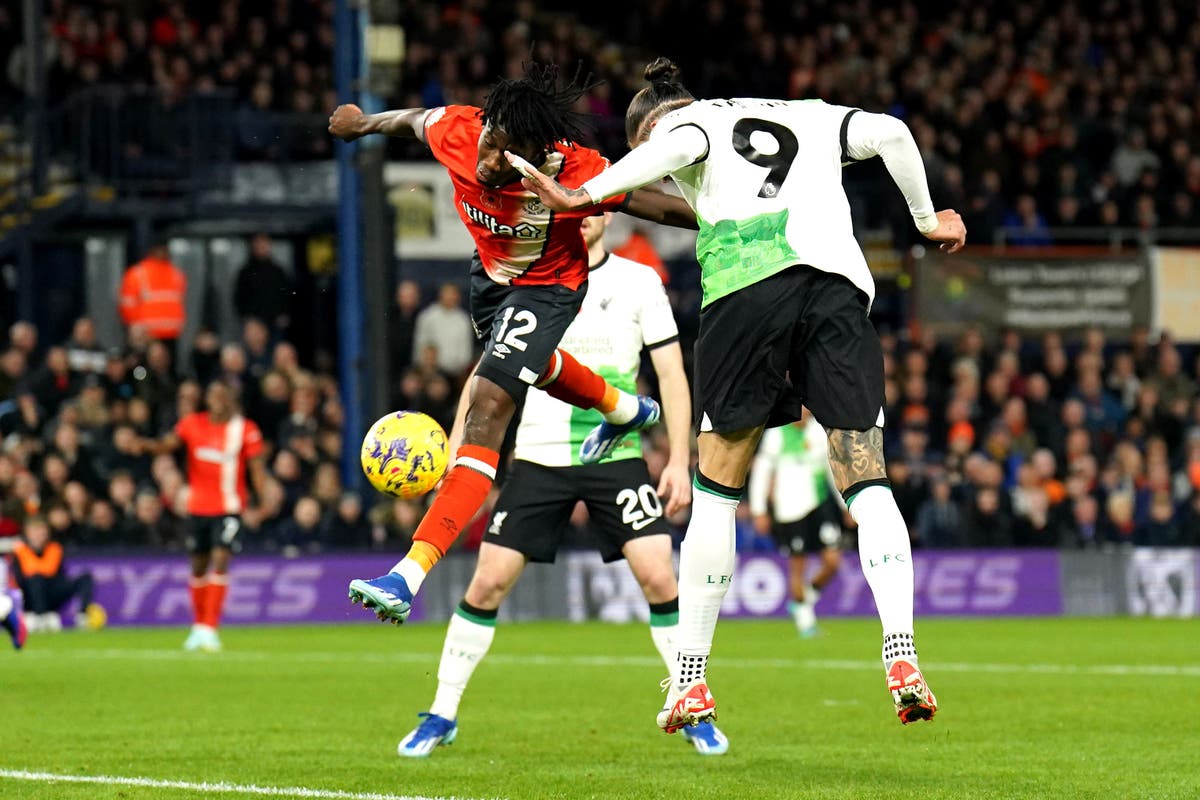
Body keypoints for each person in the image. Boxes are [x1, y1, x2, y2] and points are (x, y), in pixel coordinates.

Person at [515, 58, 966, 731]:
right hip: (838, 292)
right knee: (868, 479)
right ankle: (900, 647)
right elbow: (894, 135)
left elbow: (678, 147)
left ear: (645, 134)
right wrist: (927, 220)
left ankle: (690, 678)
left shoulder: (685, 126)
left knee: (718, 491)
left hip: (747, 295)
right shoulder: (808, 113)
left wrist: (583, 196)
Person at [328, 60, 696, 625]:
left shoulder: (573, 168)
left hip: (550, 287)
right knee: (536, 366)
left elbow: (652, 203)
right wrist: (363, 123)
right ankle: (623, 409)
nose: (489, 159)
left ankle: (407, 574)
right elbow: (414, 119)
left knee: (489, 404)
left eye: (505, 153)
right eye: (490, 142)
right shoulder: (461, 130)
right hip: (490, 281)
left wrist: (721, 215)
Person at [396, 213, 727, 758]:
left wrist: (678, 459)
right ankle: (442, 712)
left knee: (658, 575)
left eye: (596, 207)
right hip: (539, 453)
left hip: (615, 450)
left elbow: (671, 374)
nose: (588, 217)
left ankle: (692, 704)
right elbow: (489, 371)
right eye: (579, 207)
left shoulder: (639, 280)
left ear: (610, 214)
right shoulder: (532, 283)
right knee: (488, 583)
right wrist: (459, 438)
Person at [138, 380, 272, 651]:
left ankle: (210, 627)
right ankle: (198, 626)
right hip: (198, 507)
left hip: (230, 507)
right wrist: (144, 445)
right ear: (208, 400)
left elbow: (256, 469)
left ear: (231, 400)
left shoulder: (245, 430)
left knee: (221, 557)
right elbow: (167, 445)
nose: (219, 401)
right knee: (198, 566)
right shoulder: (192, 424)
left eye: (224, 396)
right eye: (214, 395)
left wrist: (263, 501)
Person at [749, 408, 844, 638]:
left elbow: (832, 471)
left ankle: (804, 601)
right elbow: (762, 472)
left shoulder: (818, 433)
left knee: (833, 562)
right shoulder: (777, 434)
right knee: (798, 566)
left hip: (819, 504)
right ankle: (805, 622)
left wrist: (844, 504)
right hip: (789, 509)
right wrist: (759, 510)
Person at [11, 516, 105, 632]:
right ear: (28, 533)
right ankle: (41, 617)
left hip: (52, 592)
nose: (41, 535)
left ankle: (83, 615)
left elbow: (58, 574)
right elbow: (21, 579)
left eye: (43, 532)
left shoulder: (54, 548)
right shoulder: (20, 550)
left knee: (85, 577)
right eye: (36, 532)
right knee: (36, 579)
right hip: (30, 597)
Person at [118, 240, 187, 344]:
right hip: (146, 334)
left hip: (172, 333)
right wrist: (135, 324)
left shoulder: (176, 274)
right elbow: (128, 302)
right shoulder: (138, 273)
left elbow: (179, 301)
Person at [233, 232, 293, 334]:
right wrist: (247, 318)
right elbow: (239, 296)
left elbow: (287, 294)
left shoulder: (278, 271)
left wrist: (284, 313)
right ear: (253, 246)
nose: (262, 247)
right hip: (253, 322)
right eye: (258, 244)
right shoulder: (246, 272)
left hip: (276, 321)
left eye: (264, 244)